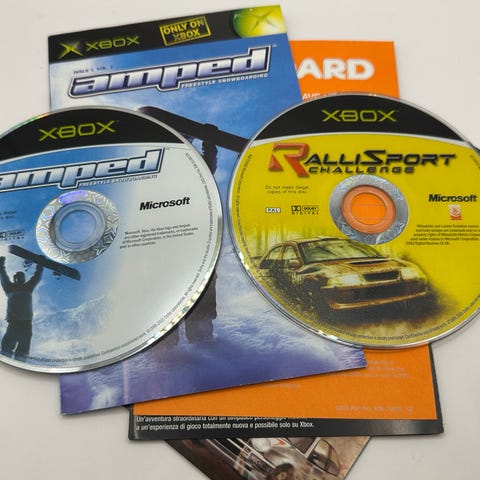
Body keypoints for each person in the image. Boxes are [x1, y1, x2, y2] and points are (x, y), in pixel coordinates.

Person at [0, 256, 43, 359]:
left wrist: (40, 265)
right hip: (15, 322)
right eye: (17, 277)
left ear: (24, 279)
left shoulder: (28, 287)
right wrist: (1, 264)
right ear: (14, 279)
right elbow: (3, 275)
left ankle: (20, 359)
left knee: (23, 349)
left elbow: (37, 277)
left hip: (26, 322)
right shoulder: (9, 287)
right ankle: (7, 357)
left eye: (21, 277)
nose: (19, 279)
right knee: (7, 346)